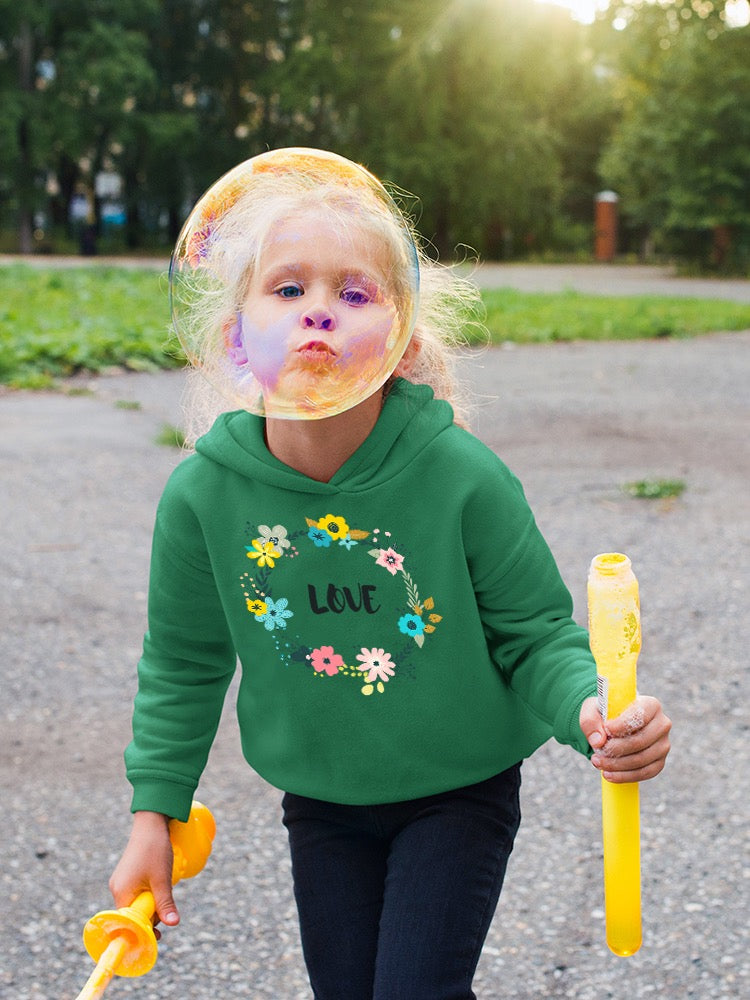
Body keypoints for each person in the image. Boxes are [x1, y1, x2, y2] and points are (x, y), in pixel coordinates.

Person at [109, 149, 671, 1000]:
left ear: (400, 335)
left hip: (458, 791)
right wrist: (154, 813)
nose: (319, 315)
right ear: (237, 332)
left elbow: (535, 633)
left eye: (355, 293)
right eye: (288, 289)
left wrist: (592, 709)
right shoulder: (202, 495)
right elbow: (183, 663)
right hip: (323, 801)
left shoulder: (461, 476)